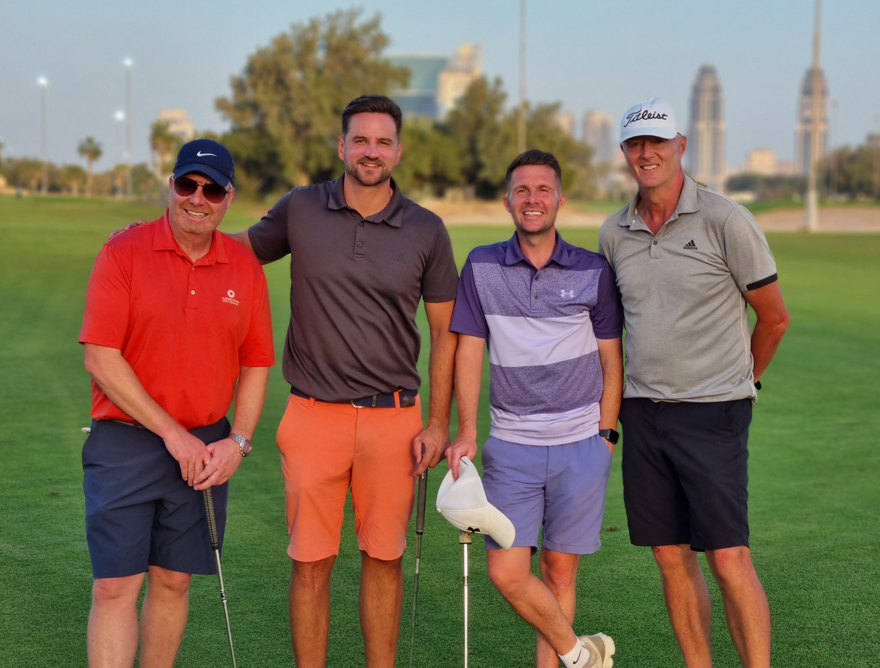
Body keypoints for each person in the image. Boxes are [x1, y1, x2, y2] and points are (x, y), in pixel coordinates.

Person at [236, 95, 457, 667]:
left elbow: (444, 334)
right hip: (313, 416)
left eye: (383, 142)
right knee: (310, 563)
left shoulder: (427, 230)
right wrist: (172, 232)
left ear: (398, 151)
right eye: (360, 140)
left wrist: (437, 422)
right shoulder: (302, 208)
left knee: (384, 560)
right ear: (341, 146)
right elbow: (237, 254)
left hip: (394, 420)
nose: (371, 152)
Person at [599, 98, 791, 668]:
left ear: (681, 145)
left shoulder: (725, 218)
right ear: (625, 154)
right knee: (668, 553)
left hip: (714, 412)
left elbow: (774, 317)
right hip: (643, 413)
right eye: (636, 144)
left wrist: (744, 383)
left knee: (728, 557)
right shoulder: (614, 232)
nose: (646, 153)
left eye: (657, 142)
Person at [79, 139, 274, 668]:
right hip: (126, 443)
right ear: (172, 185)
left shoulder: (244, 267)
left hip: (208, 447)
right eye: (188, 184)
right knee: (115, 587)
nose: (198, 198)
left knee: (173, 580)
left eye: (212, 190)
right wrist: (172, 434)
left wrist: (238, 441)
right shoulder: (124, 252)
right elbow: (100, 357)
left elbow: (256, 363)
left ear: (228, 197)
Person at [446, 150, 623, 668]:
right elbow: (469, 349)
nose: (532, 199)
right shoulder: (481, 264)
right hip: (512, 445)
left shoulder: (593, 271)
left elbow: (613, 360)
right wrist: (466, 431)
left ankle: (560, 662)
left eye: (543, 190)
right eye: (522, 190)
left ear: (560, 200)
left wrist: (606, 437)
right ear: (507, 201)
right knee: (506, 572)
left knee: (559, 573)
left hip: (581, 445)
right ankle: (580, 654)